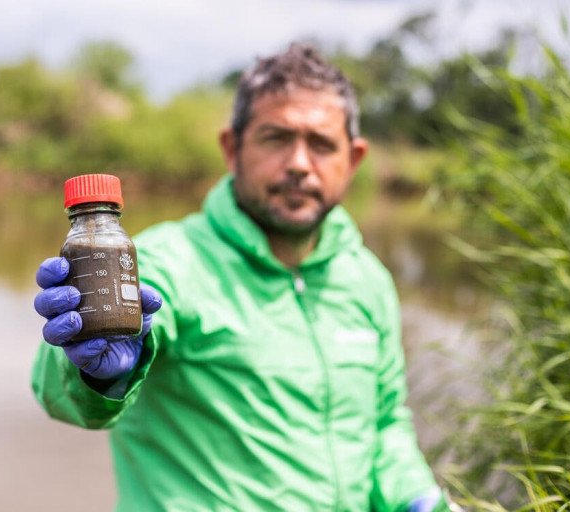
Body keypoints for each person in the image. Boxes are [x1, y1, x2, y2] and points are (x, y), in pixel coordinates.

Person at [32, 43, 452, 512]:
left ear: (353, 159)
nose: (298, 163)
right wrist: (93, 375)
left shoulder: (368, 280)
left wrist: (419, 498)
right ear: (233, 149)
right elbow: (59, 396)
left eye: (320, 143)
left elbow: (383, 423)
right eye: (276, 138)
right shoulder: (166, 261)